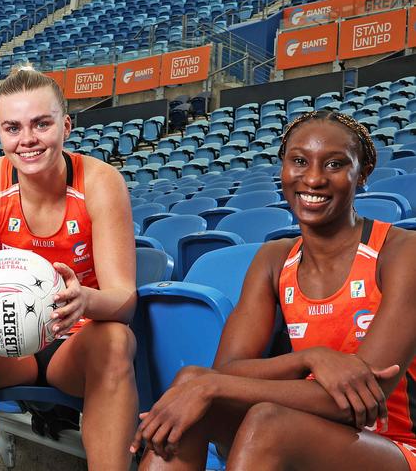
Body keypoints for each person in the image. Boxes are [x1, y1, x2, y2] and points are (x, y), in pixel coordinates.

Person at [132, 110, 416, 470]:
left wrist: (208, 387)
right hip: (305, 425)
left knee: (251, 414)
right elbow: (228, 368)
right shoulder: (274, 260)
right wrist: (308, 358)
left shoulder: (401, 251)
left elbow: (362, 400)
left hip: (394, 445)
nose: (313, 178)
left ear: (362, 174)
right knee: (190, 391)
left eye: (334, 164)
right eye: (299, 161)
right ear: (282, 168)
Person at [0, 65, 137, 470]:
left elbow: (124, 300)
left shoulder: (101, 182)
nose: (27, 140)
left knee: (118, 340)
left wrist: (84, 299)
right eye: (12, 128)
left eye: (41, 124)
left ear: (66, 125)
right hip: (9, 346)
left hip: (75, 343)